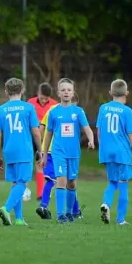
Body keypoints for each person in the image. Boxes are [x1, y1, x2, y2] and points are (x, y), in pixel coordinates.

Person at [41, 78, 95, 224]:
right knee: (61, 181)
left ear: (73, 93)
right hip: (58, 152)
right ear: (58, 93)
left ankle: (70, 213)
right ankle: (60, 215)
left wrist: (91, 140)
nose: (66, 92)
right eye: (63, 90)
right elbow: (49, 134)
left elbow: (87, 129)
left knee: (71, 183)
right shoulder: (54, 112)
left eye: (69, 90)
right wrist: (44, 153)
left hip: (74, 153)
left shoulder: (78, 111)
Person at [0, 78, 42, 226]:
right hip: (24, 149)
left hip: (9, 150)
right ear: (22, 90)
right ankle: (6, 208)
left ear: (6, 91)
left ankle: (19, 219)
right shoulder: (28, 108)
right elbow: (35, 131)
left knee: (15, 183)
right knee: (22, 183)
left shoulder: (1, 109)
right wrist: (40, 149)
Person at [97, 79, 132, 225]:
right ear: (127, 93)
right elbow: (131, 135)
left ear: (110, 93)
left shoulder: (103, 108)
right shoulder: (127, 111)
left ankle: (106, 204)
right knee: (123, 184)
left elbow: (98, 130)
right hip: (122, 152)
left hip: (106, 152)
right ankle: (120, 219)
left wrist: (102, 148)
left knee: (112, 182)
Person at [36, 96, 84, 220]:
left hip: (51, 150)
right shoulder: (71, 111)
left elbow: (41, 128)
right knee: (67, 182)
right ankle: (71, 211)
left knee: (55, 180)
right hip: (58, 151)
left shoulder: (52, 109)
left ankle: (71, 210)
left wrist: (39, 148)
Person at [27, 83, 57, 200]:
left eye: (46, 98)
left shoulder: (54, 105)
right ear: (38, 93)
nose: (44, 100)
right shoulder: (30, 103)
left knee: (42, 165)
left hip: (48, 140)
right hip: (33, 138)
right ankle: (33, 192)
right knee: (33, 164)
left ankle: (42, 192)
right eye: (42, 97)